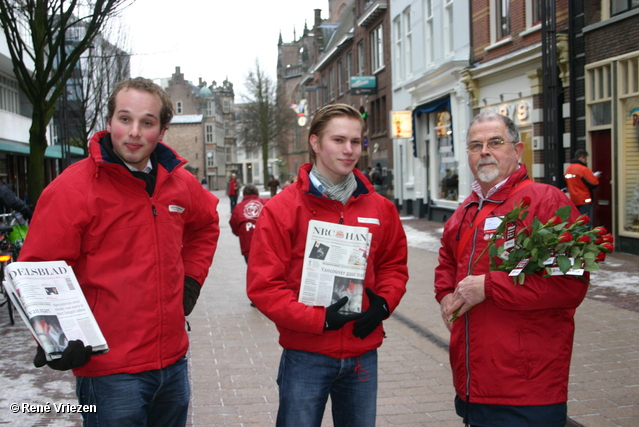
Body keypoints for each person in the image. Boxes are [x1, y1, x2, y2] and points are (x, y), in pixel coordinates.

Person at [19, 77, 220, 427]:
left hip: (172, 363)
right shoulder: (73, 188)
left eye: (147, 122)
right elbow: (39, 269)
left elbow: (206, 225)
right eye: (124, 119)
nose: (134, 132)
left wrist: (190, 280)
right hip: (111, 371)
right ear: (110, 122)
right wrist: (55, 336)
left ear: (162, 129)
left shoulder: (180, 183)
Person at [247, 103, 408, 427]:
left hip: (362, 352)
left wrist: (384, 303)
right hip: (305, 355)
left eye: (355, 141)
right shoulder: (282, 209)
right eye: (338, 140)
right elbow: (264, 287)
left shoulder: (381, 209)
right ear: (315, 143)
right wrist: (318, 320)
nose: (349, 150)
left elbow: (394, 265)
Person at [434, 111, 588, 427]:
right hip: (472, 382)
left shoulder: (548, 201)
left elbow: (570, 284)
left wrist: (488, 287)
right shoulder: (466, 209)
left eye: (495, 142)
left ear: (517, 151)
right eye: (475, 145)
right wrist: (445, 295)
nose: (484, 152)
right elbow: (447, 261)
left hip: (527, 387)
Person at [229, 184, 267, 263]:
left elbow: (234, 225)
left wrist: (241, 233)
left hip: (248, 245)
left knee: (252, 269)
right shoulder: (266, 203)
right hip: (266, 243)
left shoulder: (238, 207)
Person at [565, 149, 600, 228]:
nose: (586, 161)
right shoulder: (583, 169)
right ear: (581, 158)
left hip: (574, 199)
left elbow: (568, 183)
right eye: (585, 159)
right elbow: (594, 183)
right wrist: (595, 177)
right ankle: (585, 239)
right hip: (585, 199)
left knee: (577, 223)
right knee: (586, 223)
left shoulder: (568, 169)